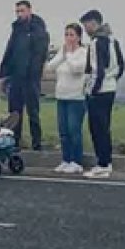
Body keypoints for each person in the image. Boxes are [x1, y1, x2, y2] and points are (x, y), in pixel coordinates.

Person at [0, 0, 50, 151]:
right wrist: (4, 73)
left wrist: (34, 74)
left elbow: (39, 55)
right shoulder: (16, 30)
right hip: (16, 77)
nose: (19, 14)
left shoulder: (38, 30)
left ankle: (36, 142)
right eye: (17, 12)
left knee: (33, 111)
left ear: (29, 10)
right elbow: (10, 51)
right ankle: (15, 141)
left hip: (31, 78)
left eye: (22, 11)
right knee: (15, 112)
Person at [81, 9, 125, 179]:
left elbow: (97, 69)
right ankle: (106, 162)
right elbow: (121, 65)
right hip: (110, 88)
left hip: (99, 90)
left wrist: (93, 90)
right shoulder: (113, 40)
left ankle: (103, 164)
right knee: (104, 128)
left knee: (97, 128)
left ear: (94, 23)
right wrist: (112, 80)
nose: (85, 29)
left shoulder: (97, 42)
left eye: (86, 25)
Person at [46, 23, 89, 174]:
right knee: (63, 131)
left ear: (78, 37)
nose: (68, 38)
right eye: (66, 35)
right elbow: (51, 67)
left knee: (74, 130)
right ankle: (66, 159)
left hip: (76, 98)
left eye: (71, 35)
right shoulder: (63, 52)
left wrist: (68, 55)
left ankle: (76, 161)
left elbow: (77, 69)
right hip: (61, 96)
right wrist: (62, 54)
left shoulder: (83, 52)